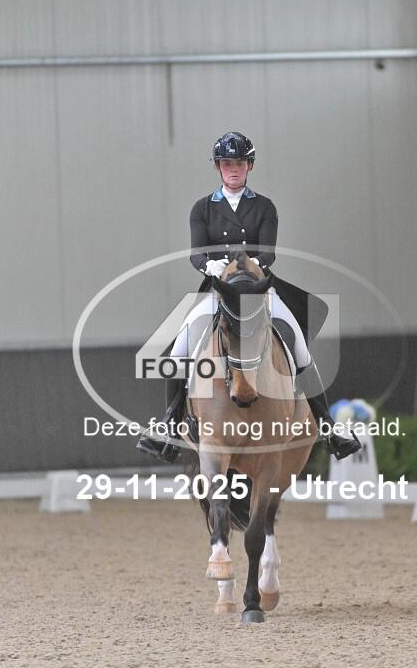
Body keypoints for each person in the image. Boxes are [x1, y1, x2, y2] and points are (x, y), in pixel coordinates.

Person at [137, 132, 361, 462]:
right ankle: (169, 424)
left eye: (239, 163)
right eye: (227, 163)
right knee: (180, 347)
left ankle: (328, 427)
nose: (233, 169)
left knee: (297, 343)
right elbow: (196, 254)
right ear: (218, 167)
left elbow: (268, 252)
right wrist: (210, 266)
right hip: (220, 291)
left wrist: (251, 266)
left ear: (249, 166)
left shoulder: (264, 207)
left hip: (257, 289)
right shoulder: (202, 208)